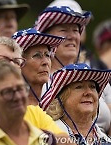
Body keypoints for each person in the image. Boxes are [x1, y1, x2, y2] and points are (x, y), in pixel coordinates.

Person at [35, 1, 111, 136]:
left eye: (75, 30)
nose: (71, 36)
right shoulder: (37, 77)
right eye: (63, 30)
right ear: (47, 38)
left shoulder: (94, 73)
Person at [41, 63, 111, 145]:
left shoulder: (106, 142)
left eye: (92, 87)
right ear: (62, 98)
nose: (88, 92)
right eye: (79, 87)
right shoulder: (49, 137)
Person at [12, 28, 65, 105]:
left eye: (47, 55)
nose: (46, 62)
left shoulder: (55, 110)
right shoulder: (10, 109)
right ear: (19, 63)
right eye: (37, 55)